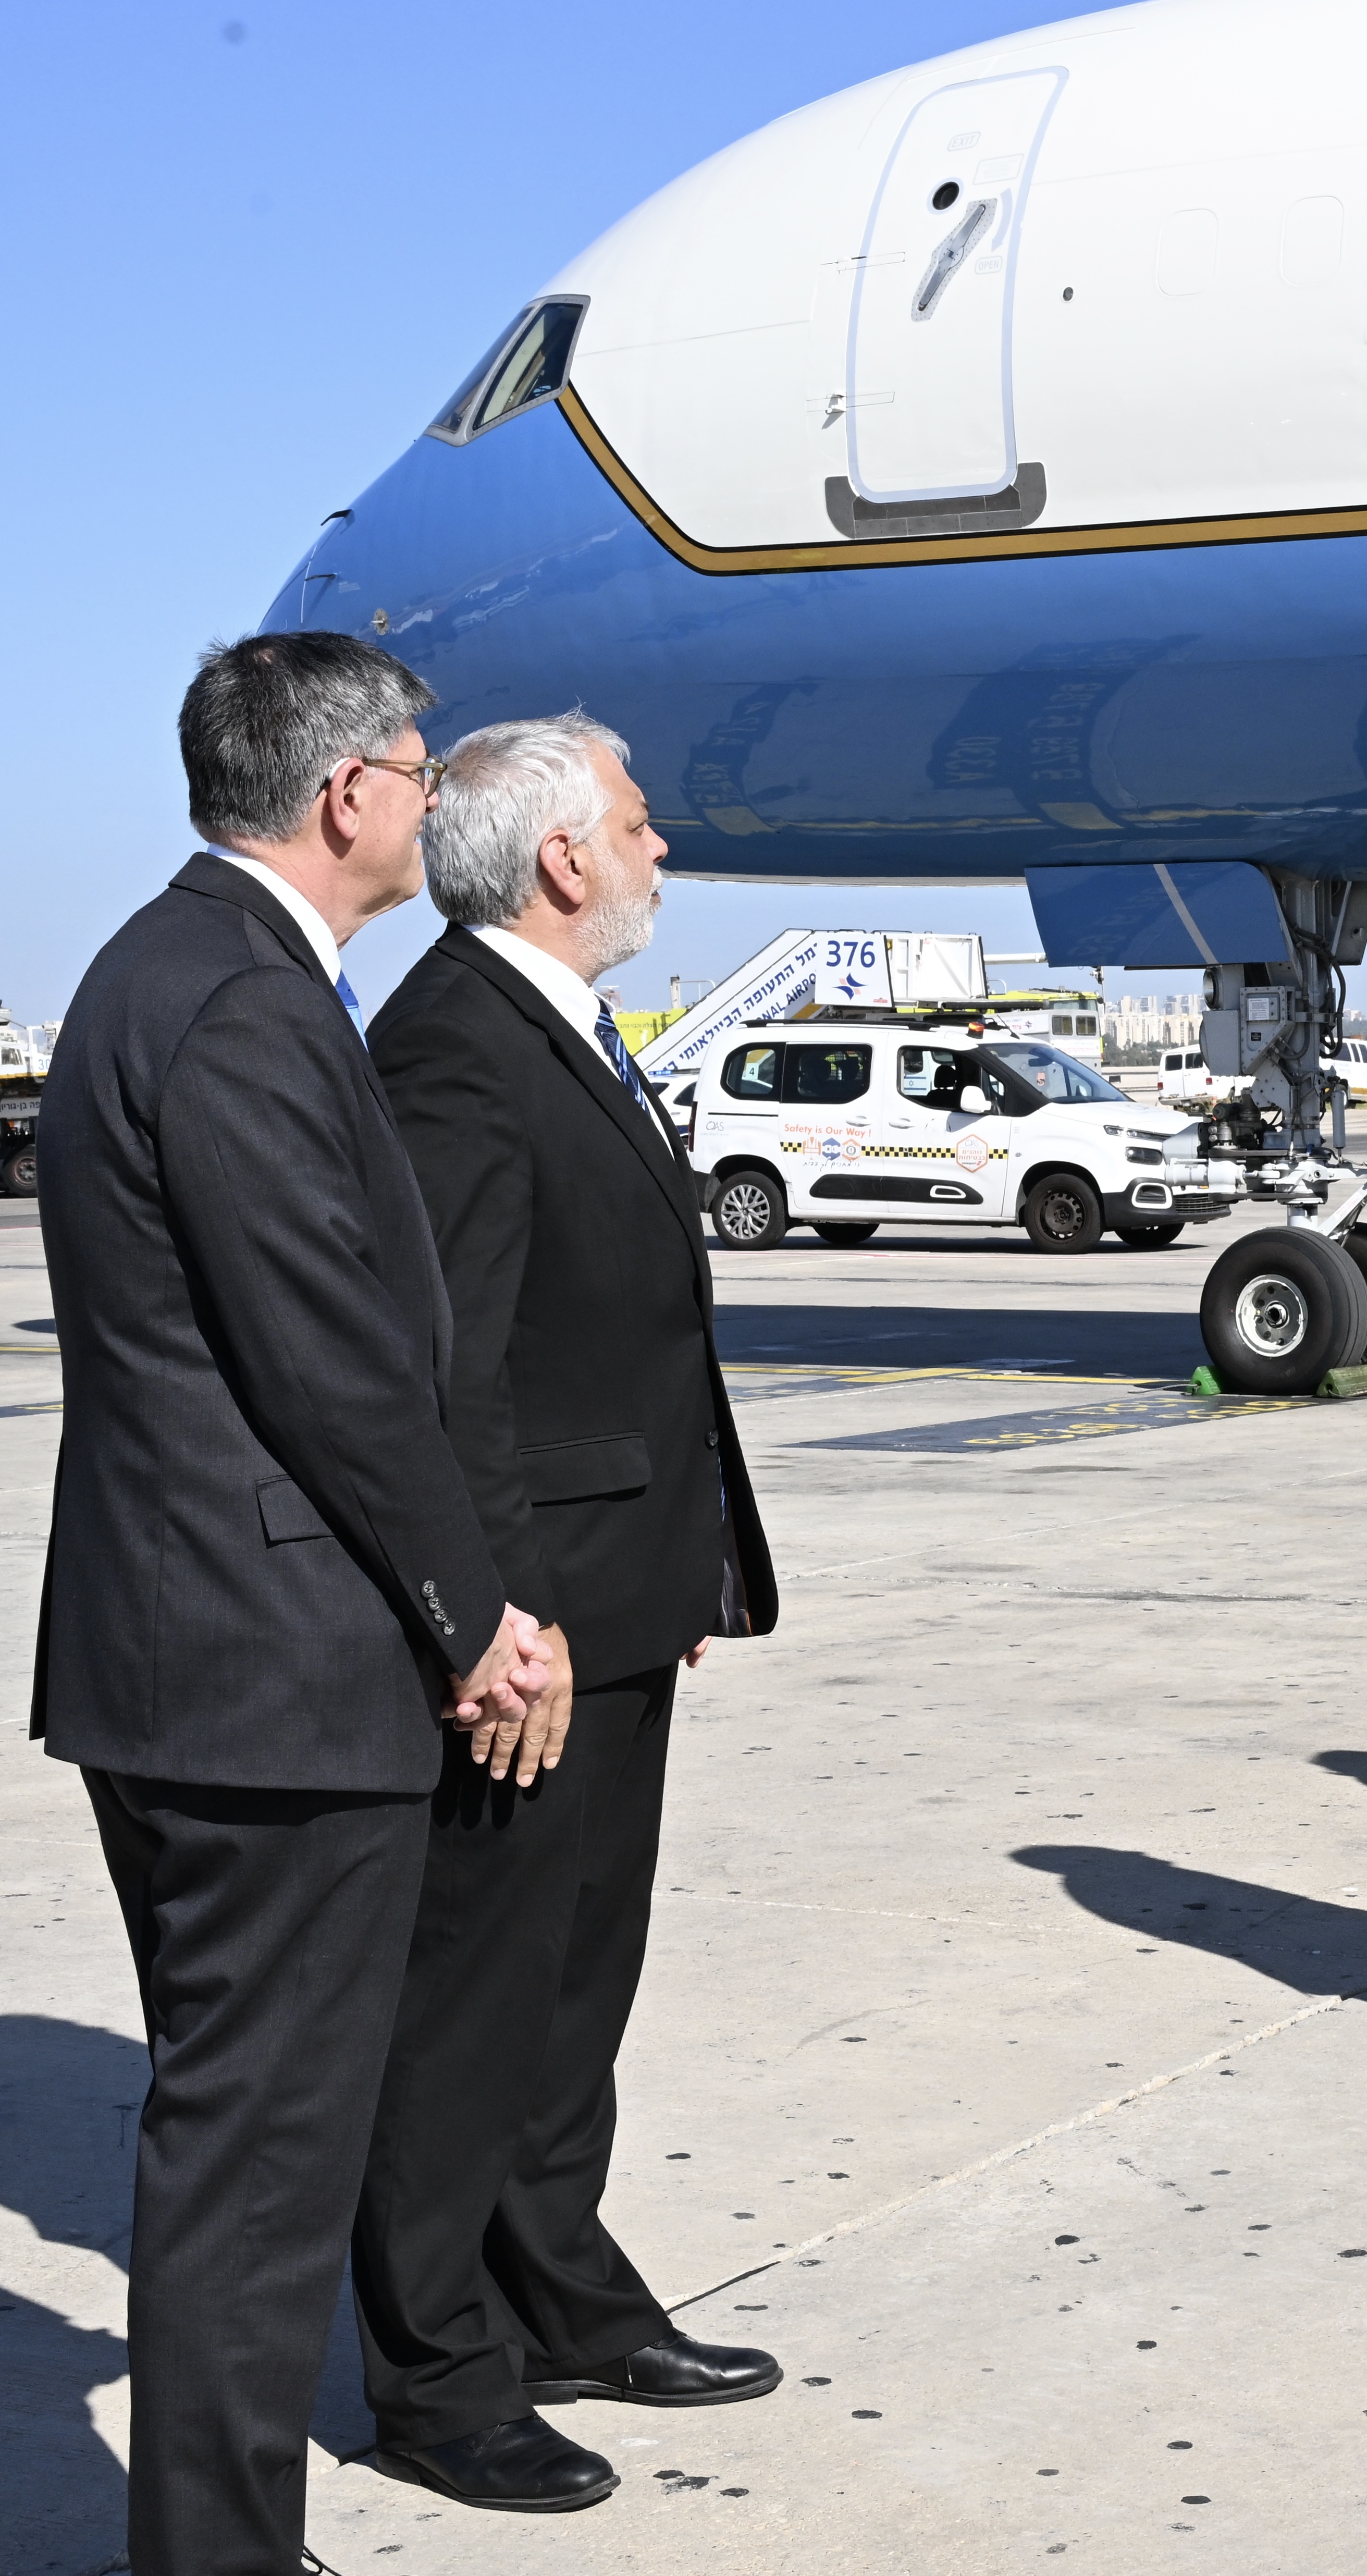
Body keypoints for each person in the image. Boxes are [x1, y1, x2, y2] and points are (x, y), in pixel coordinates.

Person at [31, 632, 551, 2576]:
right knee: (257, 2167)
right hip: (267, 1679)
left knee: (231, 2143)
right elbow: (333, 1363)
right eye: (420, 773)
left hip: (190, 1659)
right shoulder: (240, 1004)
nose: (434, 803)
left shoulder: (180, 970)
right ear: (348, 796)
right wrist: (470, 1612)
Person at [347, 715, 785, 2513]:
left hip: (617, 1595)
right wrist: (502, 1613)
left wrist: (673, 1571)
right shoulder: (459, 1044)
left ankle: (562, 2295)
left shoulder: (554, 1024)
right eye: (638, 818)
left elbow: (615, 1336)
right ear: (560, 860)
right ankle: (438, 2371)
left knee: (576, 1983)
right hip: (533, 1629)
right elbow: (454, 1374)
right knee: (476, 2001)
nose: (662, 846)